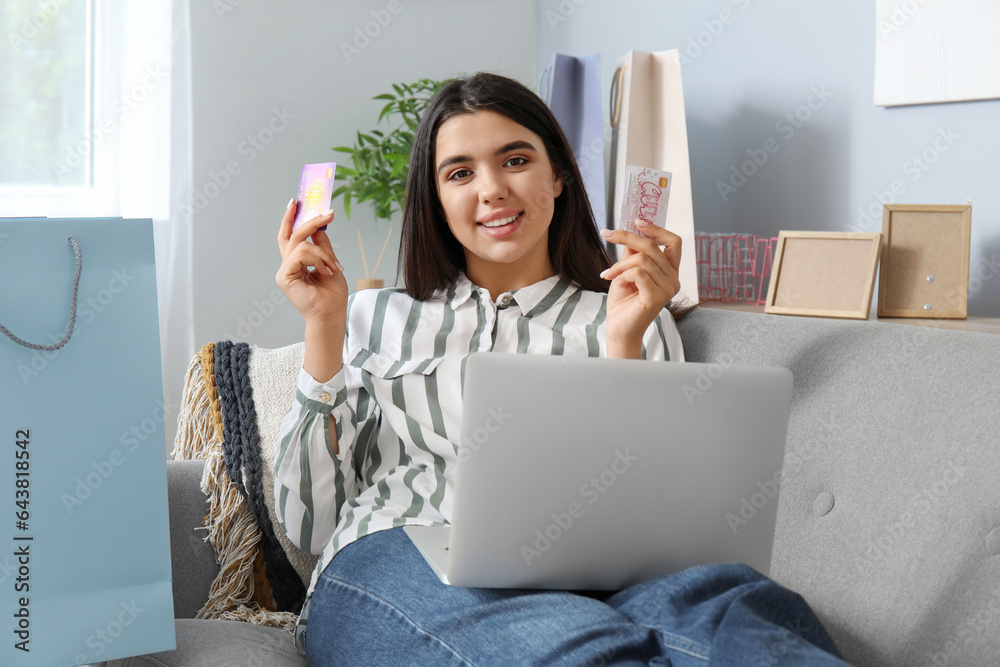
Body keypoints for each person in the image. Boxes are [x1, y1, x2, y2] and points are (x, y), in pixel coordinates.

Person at [274, 72, 847, 666]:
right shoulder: (374, 315)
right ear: (437, 201)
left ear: (559, 176)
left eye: (515, 159)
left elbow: (659, 516)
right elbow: (309, 526)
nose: (491, 189)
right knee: (582, 652)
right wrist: (324, 328)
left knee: (741, 619)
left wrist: (623, 340)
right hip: (402, 550)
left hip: (599, 574)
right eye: (460, 173)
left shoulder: (635, 316)